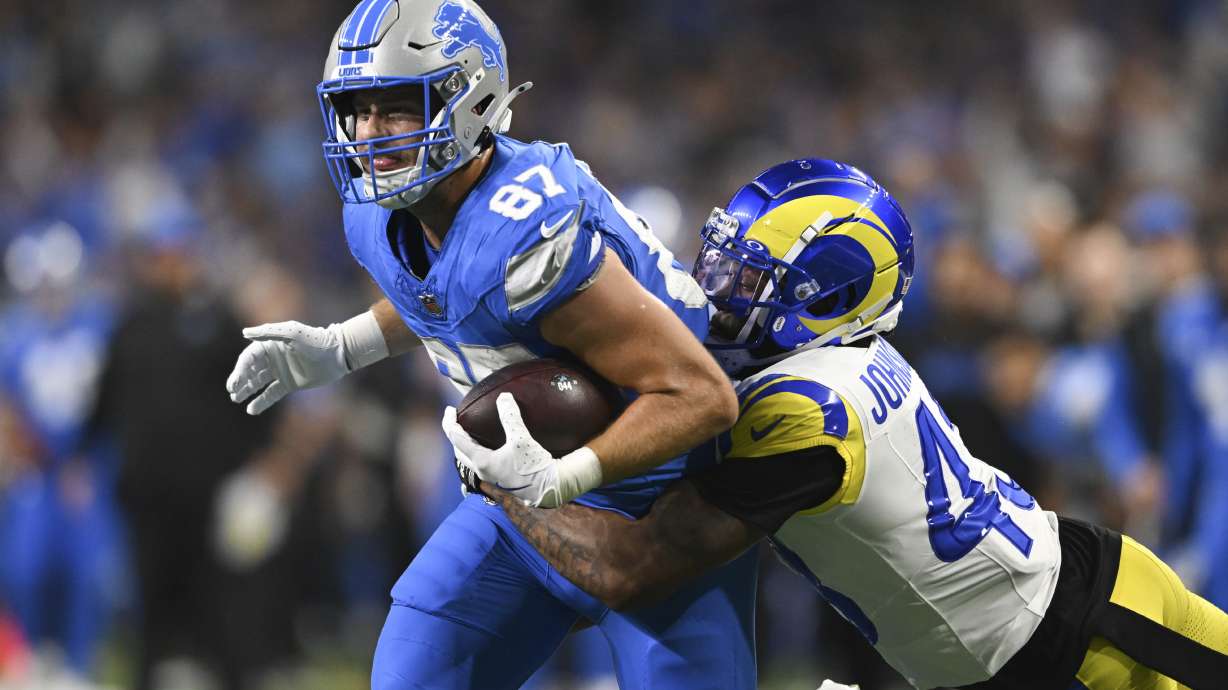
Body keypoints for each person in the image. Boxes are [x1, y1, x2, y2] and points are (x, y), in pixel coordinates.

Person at [454, 159, 1228, 690]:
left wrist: (512, 486)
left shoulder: (805, 410)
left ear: (825, 298)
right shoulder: (834, 360)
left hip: (1080, 640)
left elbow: (628, 568)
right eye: (721, 261)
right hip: (1024, 631)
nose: (717, 288)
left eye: (749, 277)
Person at [225, 1, 756, 688]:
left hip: (661, 508)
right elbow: (444, 297)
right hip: (520, 505)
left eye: (396, 110)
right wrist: (342, 346)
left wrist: (567, 476)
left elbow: (703, 396)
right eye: (356, 110)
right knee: (412, 678)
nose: (368, 134)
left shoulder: (527, 238)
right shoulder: (382, 214)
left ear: (470, 102)